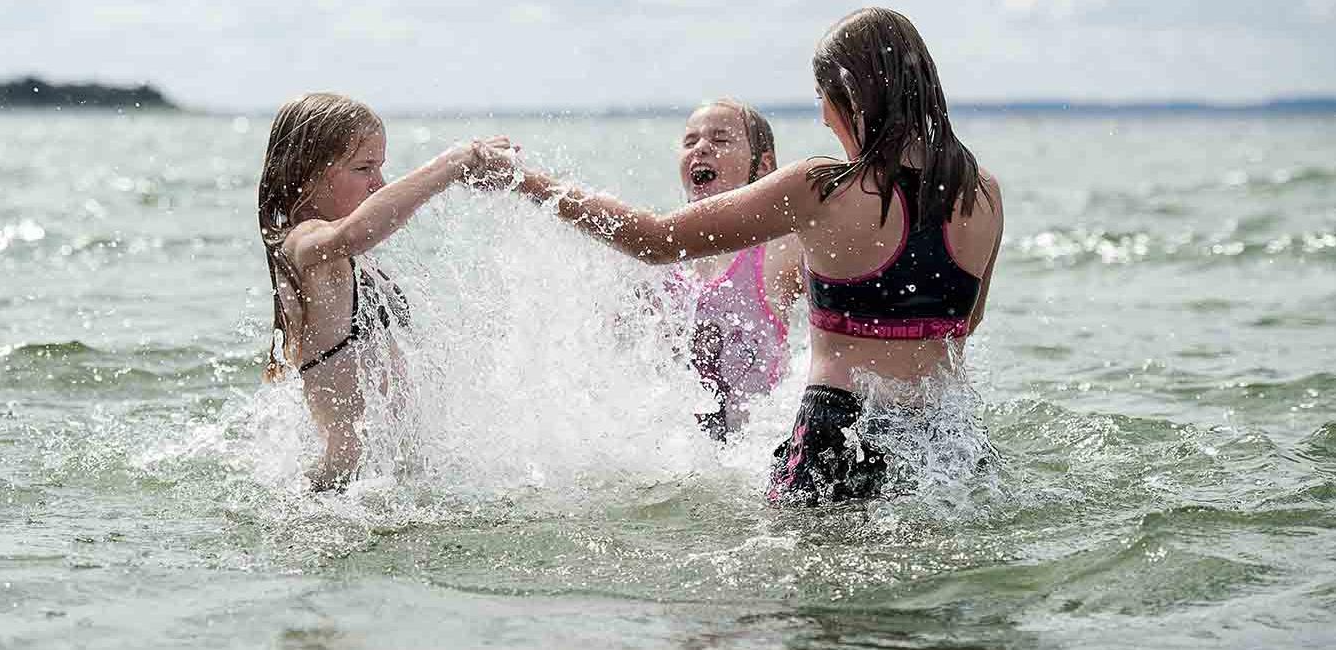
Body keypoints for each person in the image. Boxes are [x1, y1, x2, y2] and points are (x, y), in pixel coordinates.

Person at [496, 8, 1004, 506]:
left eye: (823, 99)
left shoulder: (822, 189)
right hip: (948, 440)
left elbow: (652, 239)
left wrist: (524, 181)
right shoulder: (984, 195)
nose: (824, 120)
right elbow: (968, 322)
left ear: (852, 97)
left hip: (840, 433)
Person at [255, 92, 510, 491]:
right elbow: (355, 232)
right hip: (339, 492)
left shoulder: (342, 258)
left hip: (382, 483)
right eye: (363, 168)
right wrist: (453, 165)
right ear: (305, 173)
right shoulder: (304, 246)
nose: (379, 183)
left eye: (380, 167)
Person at [670, 100, 803, 440]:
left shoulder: (780, 249)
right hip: (684, 455)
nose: (701, 148)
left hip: (754, 451)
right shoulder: (665, 257)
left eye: (720, 140)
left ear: (764, 166)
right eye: (690, 141)